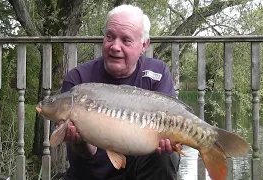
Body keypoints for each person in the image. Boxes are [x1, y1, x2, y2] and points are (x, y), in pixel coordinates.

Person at [60, 4, 180, 180]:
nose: (115, 46)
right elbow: (83, 155)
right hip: (89, 175)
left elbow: (171, 132)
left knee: (166, 155)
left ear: (144, 45)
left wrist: (173, 140)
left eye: (126, 40)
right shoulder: (78, 79)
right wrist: (80, 141)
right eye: (110, 37)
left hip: (139, 173)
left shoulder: (157, 72)